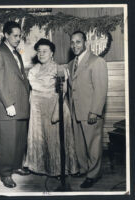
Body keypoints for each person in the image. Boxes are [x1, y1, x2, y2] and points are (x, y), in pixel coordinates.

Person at [24, 38, 80, 177]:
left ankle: (57, 169)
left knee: (55, 139)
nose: (41, 54)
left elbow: (64, 91)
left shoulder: (59, 69)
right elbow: (32, 92)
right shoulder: (34, 69)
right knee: (40, 139)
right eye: (39, 51)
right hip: (37, 111)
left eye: (45, 51)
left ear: (52, 53)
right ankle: (40, 167)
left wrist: (57, 111)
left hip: (55, 107)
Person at [0, 21, 30, 188]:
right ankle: (5, 174)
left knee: (19, 140)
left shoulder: (16, 53)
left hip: (21, 105)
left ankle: (17, 166)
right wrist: (8, 104)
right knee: (6, 142)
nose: (18, 39)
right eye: (15, 35)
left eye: (20, 36)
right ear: (6, 35)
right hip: (8, 106)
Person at [68, 31, 108, 188]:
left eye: (78, 42)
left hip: (90, 112)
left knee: (93, 145)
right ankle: (84, 168)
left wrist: (95, 111)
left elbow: (101, 89)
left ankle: (94, 174)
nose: (74, 45)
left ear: (85, 43)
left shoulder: (97, 61)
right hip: (76, 111)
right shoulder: (72, 63)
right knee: (80, 144)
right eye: (72, 42)